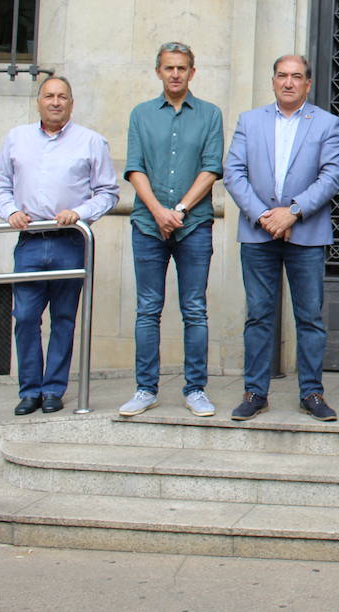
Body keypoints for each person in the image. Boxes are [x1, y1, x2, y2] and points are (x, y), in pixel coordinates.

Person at [224, 54, 339, 422]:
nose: (289, 82)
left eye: (296, 77)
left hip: (305, 233)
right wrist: (264, 216)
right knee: (259, 315)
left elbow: (332, 174)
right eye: (282, 76)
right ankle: (255, 392)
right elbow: (233, 172)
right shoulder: (250, 120)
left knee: (309, 317)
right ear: (273, 80)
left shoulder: (326, 123)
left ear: (308, 84)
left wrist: (292, 212)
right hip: (258, 233)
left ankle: (311, 392)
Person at [0, 77, 120, 415]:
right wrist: (11, 212)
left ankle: (53, 390)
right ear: (38, 101)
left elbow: (108, 192)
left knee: (64, 319)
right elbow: (0, 184)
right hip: (31, 242)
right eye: (49, 96)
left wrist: (79, 213)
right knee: (25, 318)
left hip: (69, 242)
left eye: (62, 96)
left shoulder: (91, 141)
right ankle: (29, 390)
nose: (55, 102)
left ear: (71, 103)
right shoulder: (16, 138)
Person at [117, 42, 225, 419]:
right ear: (158, 71)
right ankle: (145, 388)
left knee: (194, 309)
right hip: (148, 225)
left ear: (192, 72)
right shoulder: (141, 114)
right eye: (168, 68)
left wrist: (177, 210)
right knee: (148, 308)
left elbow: (211, 168)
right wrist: (158, 211)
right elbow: (134, 168)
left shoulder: (210, 114)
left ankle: (195, 389)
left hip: (193, 225)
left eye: (182, 68)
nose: (175, 74)